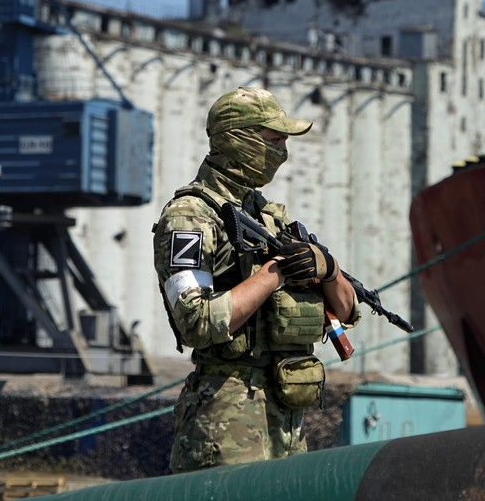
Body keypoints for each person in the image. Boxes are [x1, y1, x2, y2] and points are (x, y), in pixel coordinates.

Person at [152, 86, 360, 473]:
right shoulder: (189, 217)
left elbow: (347, 311)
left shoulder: (271, 218)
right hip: (226, 424)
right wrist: (275, 272)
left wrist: (326, 267)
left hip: (286, 419)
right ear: (237, 140)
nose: (282, 151)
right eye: (273, 139)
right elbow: (195, 322)